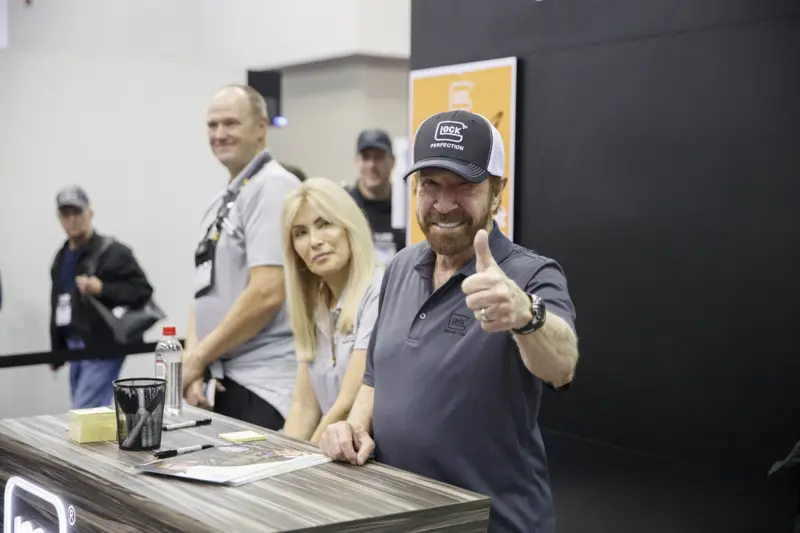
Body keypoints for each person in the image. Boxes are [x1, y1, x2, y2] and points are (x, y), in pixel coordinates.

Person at [318, 110, 580, 533]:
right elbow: (375, 379)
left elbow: (563, 365)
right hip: (400, 516)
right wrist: (353, 426)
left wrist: (525, 315)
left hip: (492, 523)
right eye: (430, 185)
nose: (443, 203)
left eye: (464, 186)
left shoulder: (530, 275)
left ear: (497, 192)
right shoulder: (401, 267)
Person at [182, 84, 301, 430]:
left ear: (261, 128)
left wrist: (199, 358)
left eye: (231, 123)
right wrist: (195, 362)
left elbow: (267, 292)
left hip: (263, 384)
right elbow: (203, 292)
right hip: (224, 378)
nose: (219, 134)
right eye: (212, 125)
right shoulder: (219, 201)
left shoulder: (273, 186)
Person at [280, 178, 383, 443]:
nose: (314, 241)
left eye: (324, 224)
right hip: (330, 453)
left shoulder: (378, 291)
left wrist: (304, 459)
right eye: (300, 233)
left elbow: (348, 404)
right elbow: (304, 407)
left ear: (349, 226)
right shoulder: (315, 305)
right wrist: (281, 458)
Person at [49, 186, 154, 409]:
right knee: (86, 411)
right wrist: (57, 350)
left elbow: (142, 290)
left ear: (90, 213)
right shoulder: (61, 257)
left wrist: (102, 289)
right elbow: (58, 304)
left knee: (84, 411)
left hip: (103, 346)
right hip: (75, 346)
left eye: (77, 212)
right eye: (65, 214)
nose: (71, 219)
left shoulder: (112, 252)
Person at [347, 129, 406, 266]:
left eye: (378, 157)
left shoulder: (406, 207)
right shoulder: (345, 206)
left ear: (393, 160)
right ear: (357, 161)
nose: (372, 165)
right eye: (366, 157)